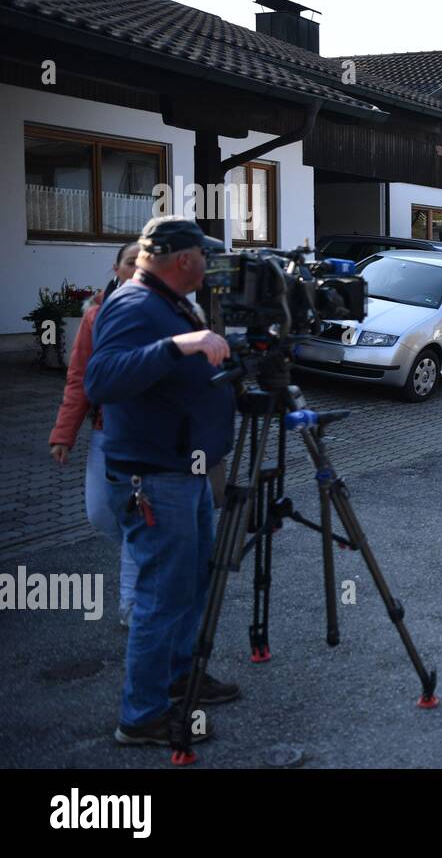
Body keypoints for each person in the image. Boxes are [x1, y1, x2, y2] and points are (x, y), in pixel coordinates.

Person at [85, 217, 240, 747]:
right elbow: (101, 379)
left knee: (190, 582)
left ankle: (177, 678)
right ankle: (142, 715)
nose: (211, 267)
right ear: (183, 260)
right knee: (159, 595)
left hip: (183, 470)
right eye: (205, 257)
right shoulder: (133, 305)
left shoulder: (166, 300)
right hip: (154, 478)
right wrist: (180, 346)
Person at [49, 242, 141, 627]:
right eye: (130, 261)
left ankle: (133, 606)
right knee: (100, 513)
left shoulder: (163, 310)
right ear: (116, 266)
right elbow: (79, 378)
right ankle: (152, 553)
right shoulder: (96, 314)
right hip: (106, 430)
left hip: (146, 435)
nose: (137, 267)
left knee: (138, 519)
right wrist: (64, 432)